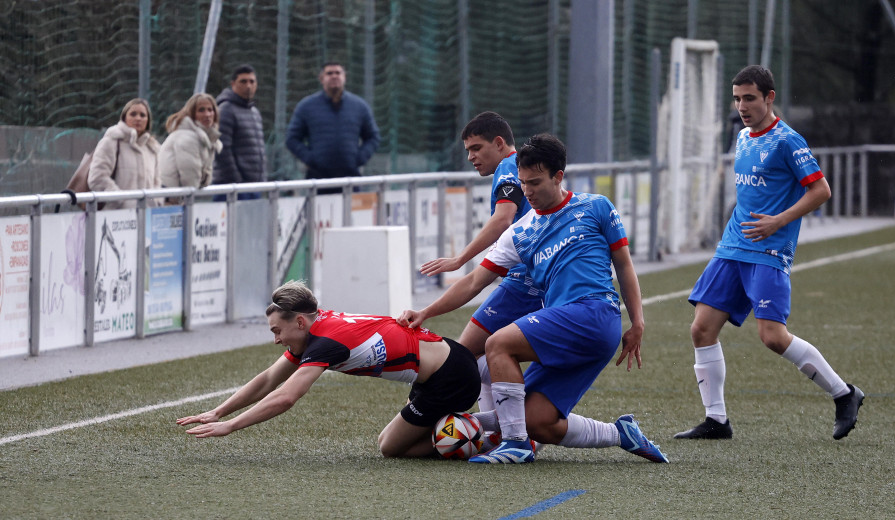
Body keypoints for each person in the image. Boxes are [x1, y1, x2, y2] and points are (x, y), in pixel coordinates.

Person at [398, 133, 668, 465]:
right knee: (538, 421)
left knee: (498, 344)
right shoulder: (520, 232)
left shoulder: (596, 206)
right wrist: (426, 312)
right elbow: (472, 283)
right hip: (571, 327)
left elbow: (624, 265)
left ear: (559, 176)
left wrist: (638, 322)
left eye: (536, 183)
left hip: (595, 313)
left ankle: (514, 444)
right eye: (524, 183)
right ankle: (621, 434)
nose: (528, 192)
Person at [674, 65, 864, 441]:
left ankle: (845, 394)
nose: (742, 106)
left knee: (773, 337)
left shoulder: (788, 141)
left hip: (769, 250)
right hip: (732, 246)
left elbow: (820, 191)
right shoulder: (744, 137)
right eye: (737, 98)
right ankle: (717, 420)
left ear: (769, 98)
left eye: (749, 98)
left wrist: (778, 221)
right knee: (701, 328)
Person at [177, 280, 480, 459]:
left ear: (299, 322)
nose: (276, 340)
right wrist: (219, 412)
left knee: (390, 447)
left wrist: (231, 426)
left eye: (277, 331)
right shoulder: (315, 324)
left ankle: (485, 434)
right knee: (394, 439)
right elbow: (270, 378)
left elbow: (286, 397)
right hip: (444, 364)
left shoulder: (324, 343)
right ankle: (470, 427)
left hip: (451, 377)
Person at [419, 112, 543, 415]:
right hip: (538, 280)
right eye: (467, 151)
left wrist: (460, 258)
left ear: (499, 143)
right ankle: (503, 427)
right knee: (488, 353)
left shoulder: (508, 166)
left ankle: (499, 430)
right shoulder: (522, 167)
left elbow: (503, 217)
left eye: (476, 148)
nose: (471, 157)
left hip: (522, 283)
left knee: (462, 356)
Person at [285, 62, 380, 194]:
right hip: (318, 180)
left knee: (352, 214)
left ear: (345, 77)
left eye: (338, 73)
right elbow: (292, 139)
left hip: (350, 178)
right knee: (320, 215)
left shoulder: (359, 106)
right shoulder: (306, 107)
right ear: (321, 78)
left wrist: (358, 159)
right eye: (329, 73)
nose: (334, 76)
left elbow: (373, 137)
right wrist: (312, 159)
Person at [87, 98, 161, 209]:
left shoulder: (152, 148)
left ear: (148, 120)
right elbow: (97, 178)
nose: (138, 118)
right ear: (124, 118)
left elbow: (157, 183)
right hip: (116, 218)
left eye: (142, 115)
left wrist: (154, 202)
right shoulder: (111, 142)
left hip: (147, 218)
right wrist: (121, 201)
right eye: (133, 114)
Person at [212, 64, 266, 200]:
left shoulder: (254, 112)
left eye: (252, 81)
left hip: (254, 187)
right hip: (233, 188)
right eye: (243, 81)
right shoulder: (226, 110)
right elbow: (222, 149)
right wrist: (236, 181)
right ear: (233, 84)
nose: (248, 85)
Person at [158, 93, 222, 189]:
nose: (207, 114)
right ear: (192, 114)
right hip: (171, 198)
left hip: (177, 196)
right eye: (201, 110)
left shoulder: (206, 138)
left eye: (210, 110)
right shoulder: (187, 137)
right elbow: (190, 180)